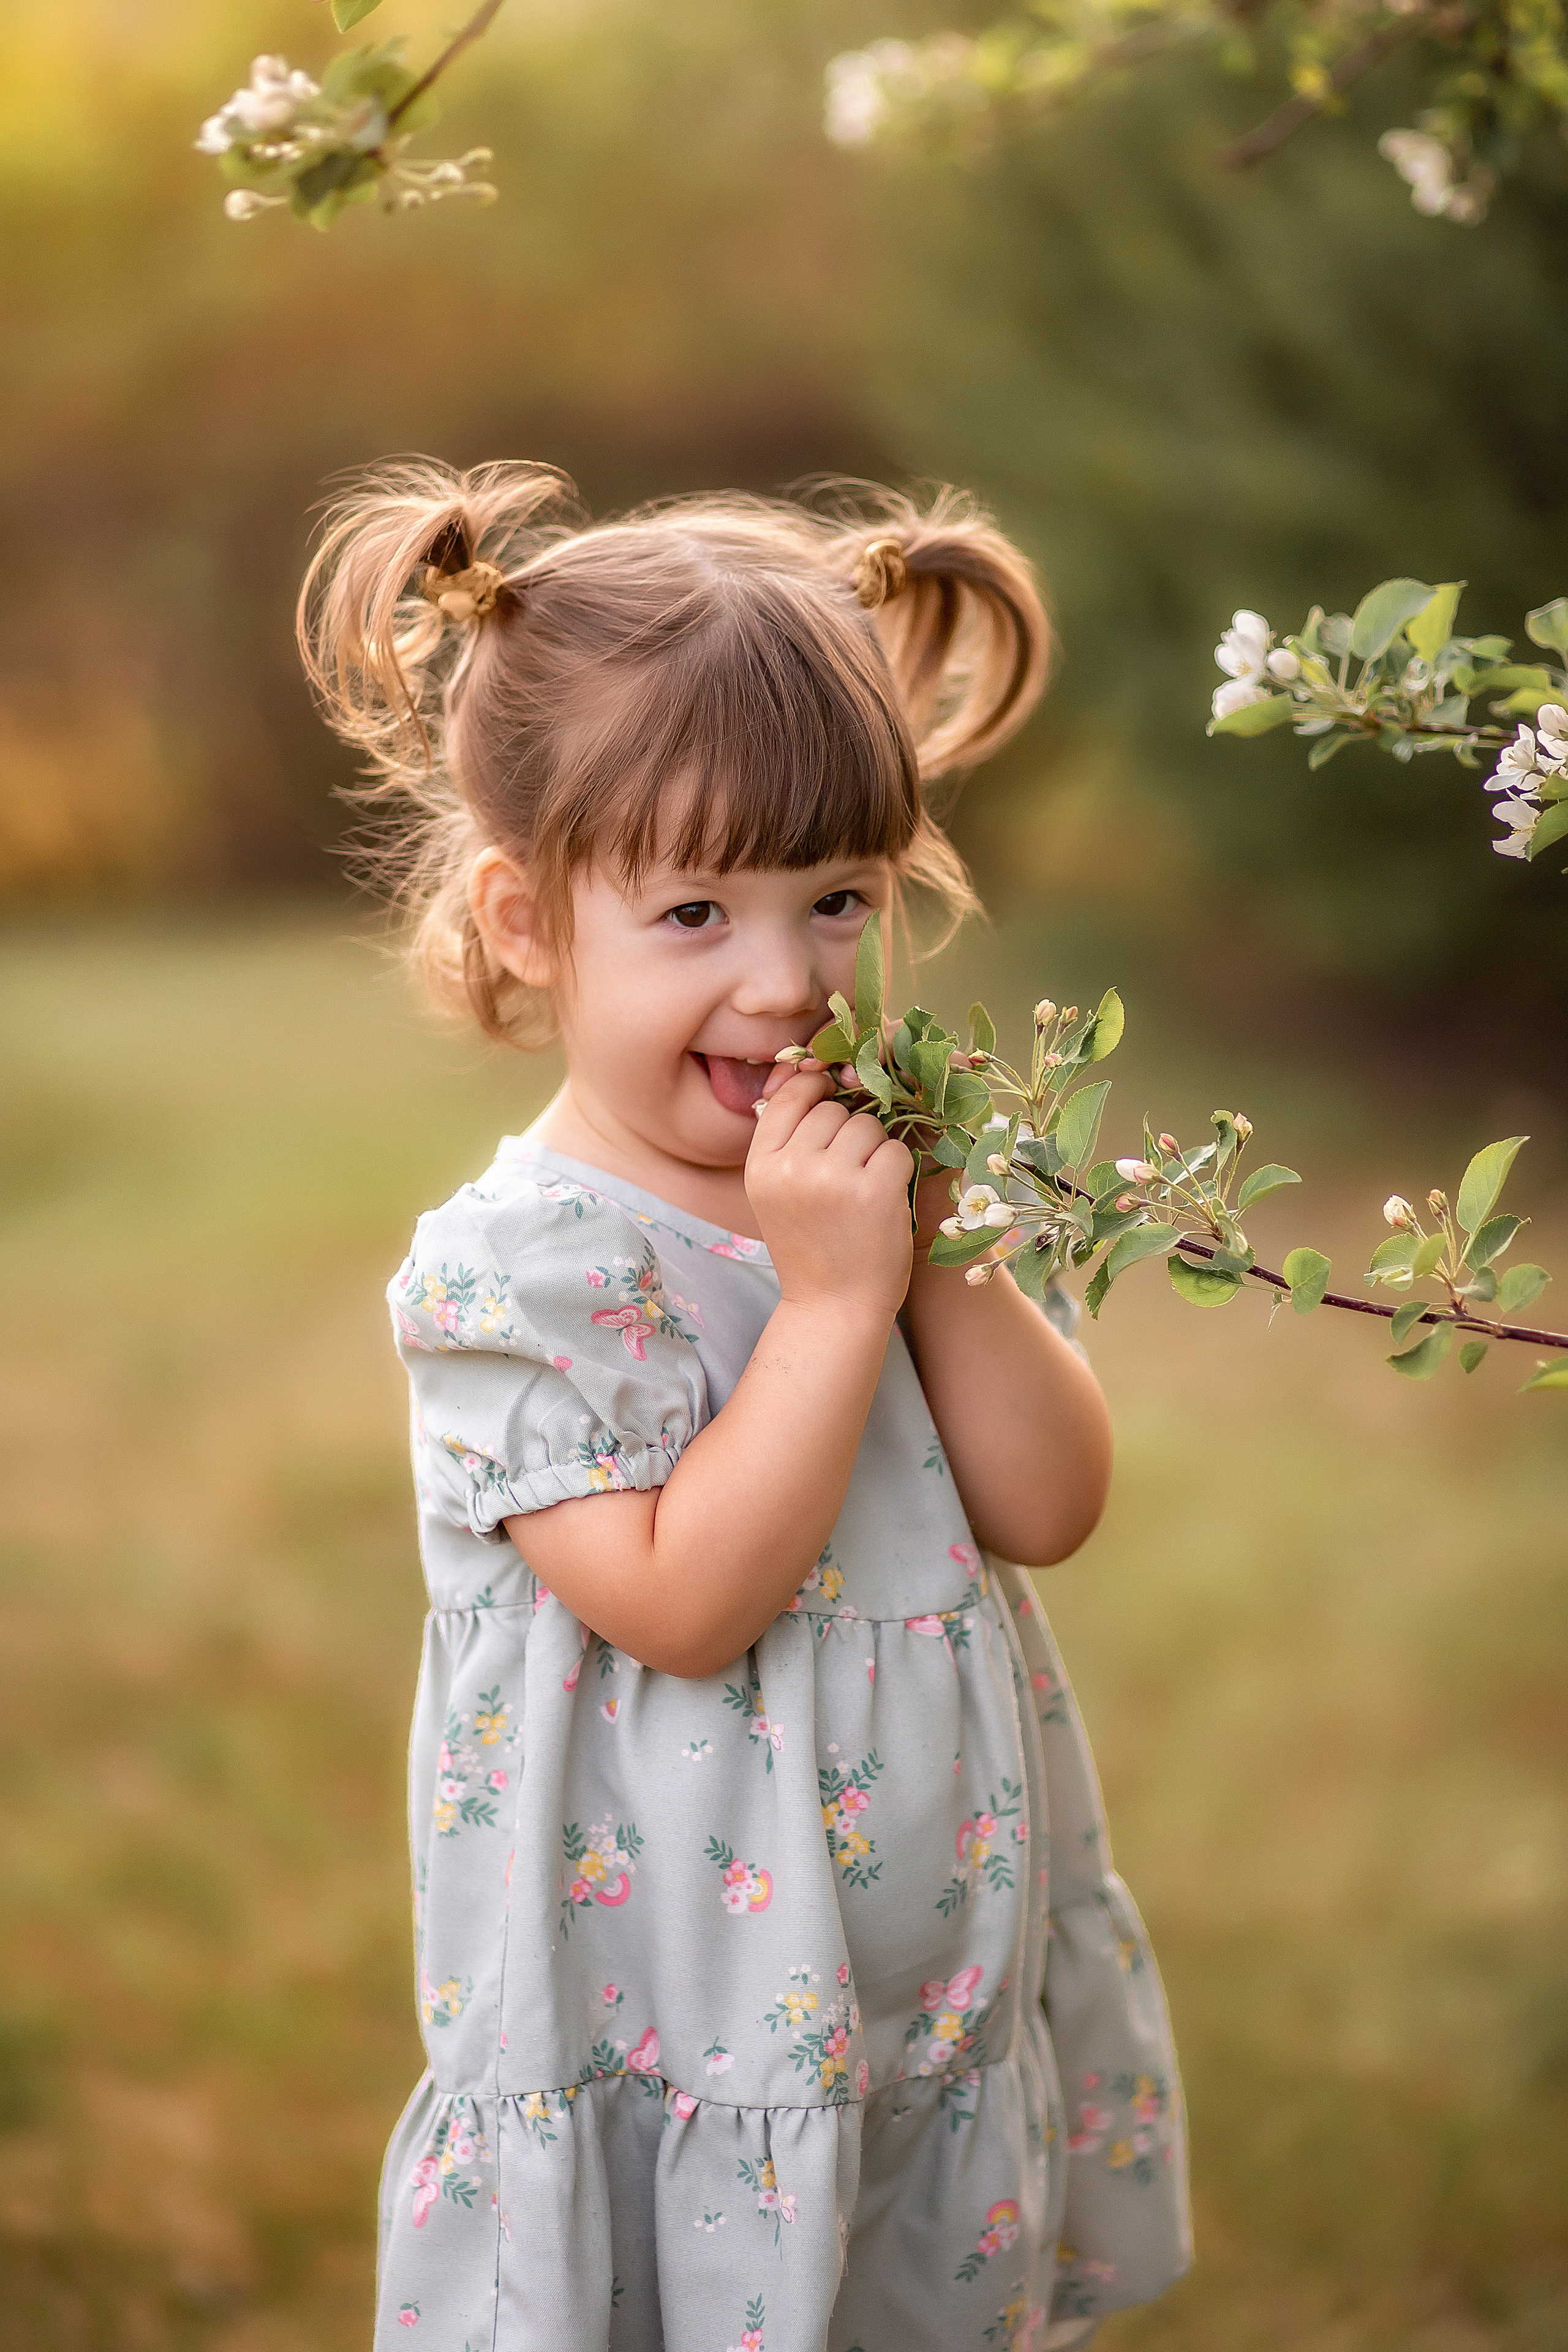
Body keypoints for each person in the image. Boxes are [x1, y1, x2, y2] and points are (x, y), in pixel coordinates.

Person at [297, 461, 1190, 2352]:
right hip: (679, 2000)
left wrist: (940, 1245)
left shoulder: (877, 1183)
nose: (786, 984)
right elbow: (683, 1604)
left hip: (916, 1967)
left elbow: (1047, 1502)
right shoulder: (515, 1270)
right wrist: (834, 1299)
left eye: (838, 900)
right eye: (696, 909)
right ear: (530, 922)